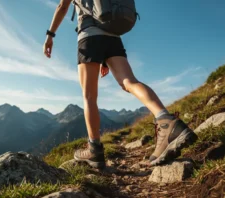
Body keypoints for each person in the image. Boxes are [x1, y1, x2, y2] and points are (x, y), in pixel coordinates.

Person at [43, 0, 198, 168]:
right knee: (129, 81)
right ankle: (165, 120)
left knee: (89, 96)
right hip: (113, 36)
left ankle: (94, 149)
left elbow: (62, 6)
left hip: (89, 36)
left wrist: (50, 36)